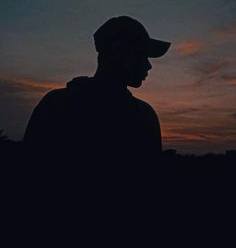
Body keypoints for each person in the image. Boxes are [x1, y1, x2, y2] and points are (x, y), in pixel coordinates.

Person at [23, 16, 171, 172]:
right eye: (140, 55)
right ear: (117, 51)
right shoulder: (143, 115)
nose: (148, 65)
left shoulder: (55, 102)